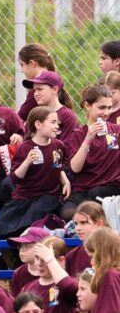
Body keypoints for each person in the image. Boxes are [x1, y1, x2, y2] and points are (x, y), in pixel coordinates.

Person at [0, 106, 69, 238]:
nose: (57, 126)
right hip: (24, 196)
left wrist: (66, 181)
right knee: (2, 226)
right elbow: (15, 178)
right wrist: (27, 161)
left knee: (34, 218)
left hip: (48, 196)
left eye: (57, 122)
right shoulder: (25, 147)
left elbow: (59, 166)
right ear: (38, 124)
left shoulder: (58, 146)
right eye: (53, 122)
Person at [63, 85, 120, 220]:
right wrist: (88, 138)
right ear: (88, 106)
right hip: (83, 188)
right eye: (102, 108)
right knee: (68, 213)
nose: (106, 112)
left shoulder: (116, 131)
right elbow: (75, 168)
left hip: (109, 187)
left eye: (109, 107)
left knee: (96, 195)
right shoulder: (78, 134)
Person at [23, 70, 78, 142]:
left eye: (40, 89)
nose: (36, 94)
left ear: (54, 90)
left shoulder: (67, 116)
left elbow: (67, 147)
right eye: (34, 90)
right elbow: (26, 144)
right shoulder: (35, 114)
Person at [18, 43, 59, 120]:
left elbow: (20, 118)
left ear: (32, 63)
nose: (22, 70)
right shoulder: (54, 80)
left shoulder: (37, 89)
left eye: (22, 65)